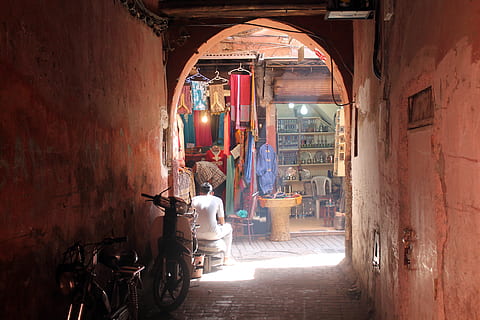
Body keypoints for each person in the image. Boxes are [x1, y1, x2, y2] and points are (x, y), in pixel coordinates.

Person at [191, 182, 235, 265]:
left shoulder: (193, 199)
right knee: (228, 228)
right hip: (213, 234)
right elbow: (222, 221)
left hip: (196, 234)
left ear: (200, 192)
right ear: (212, 193)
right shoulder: (217, 200)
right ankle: (226, 258)